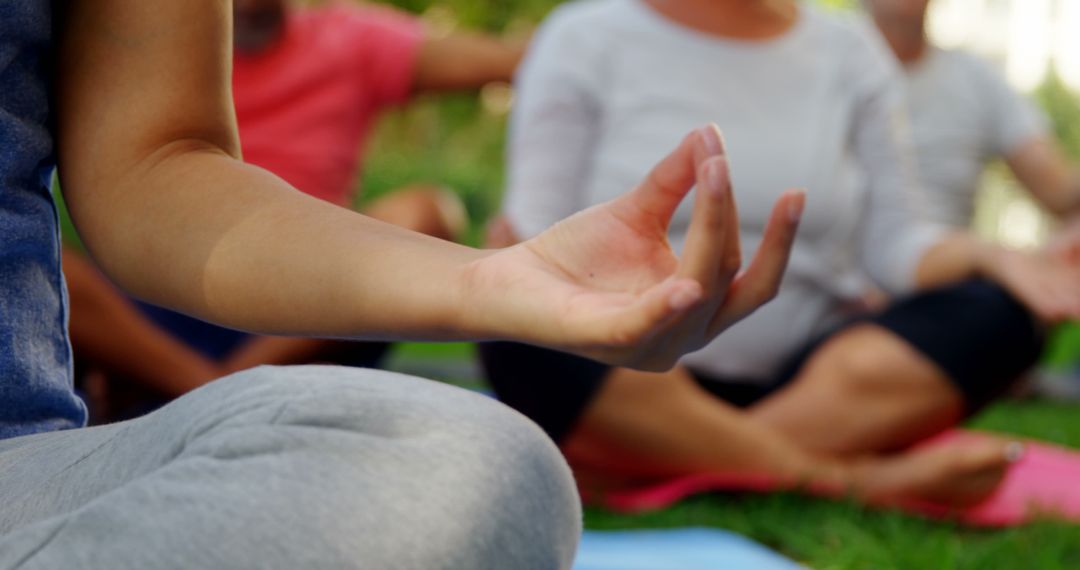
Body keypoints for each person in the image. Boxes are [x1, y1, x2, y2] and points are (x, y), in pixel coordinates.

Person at [0, 0, 803, 567]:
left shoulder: (351, 41)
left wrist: (496, 280)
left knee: (474, 466)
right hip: (143, 326)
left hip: (27, 468)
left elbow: (154, 169)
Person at [481, 0, 1080, 509]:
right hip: (625, 376)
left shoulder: (849, 49)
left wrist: (993, 256)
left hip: (809, 388)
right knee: (519, 305)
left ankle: (661, 464)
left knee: (1003, 311)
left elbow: (896, 246)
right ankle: (849, 479)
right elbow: (536, 234)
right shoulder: (582, 35)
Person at [64, 0, 530, 419]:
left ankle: (216, 392)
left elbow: (522, 57)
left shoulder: (352, 39)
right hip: (150, 295)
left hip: (306, 299)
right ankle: (209, 391)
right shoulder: (135, 36)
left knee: (426, 211)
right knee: (39, 254)